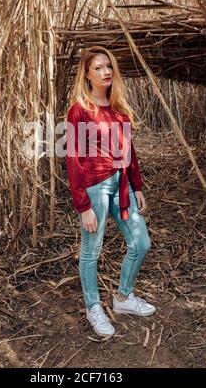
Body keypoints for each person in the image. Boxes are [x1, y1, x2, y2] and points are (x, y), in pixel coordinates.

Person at [65, 46, 156, 337]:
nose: (105, 72)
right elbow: (74, 160)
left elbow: (129, 151)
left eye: (108, 67)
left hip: (122, 186)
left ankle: (123, 298)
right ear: (87, 75)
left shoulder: (118, 109)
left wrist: (136, 184)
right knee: (91, 251)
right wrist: (83, 206)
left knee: (141, 243)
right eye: (98, 68)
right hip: (95, 188)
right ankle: (94, 308)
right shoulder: (79, 110)